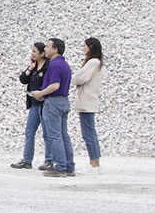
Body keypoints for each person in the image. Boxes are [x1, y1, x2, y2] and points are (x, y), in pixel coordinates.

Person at [34, 38, 75, 178]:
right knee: (64, 135)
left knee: (55, 135)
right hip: (64, 101)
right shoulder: (65, 65)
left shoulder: (54, 65)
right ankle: (69, 166)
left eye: (47, 46)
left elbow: (54, 85)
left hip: (53, 102)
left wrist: (41, 93)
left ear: (55, 49)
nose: (45, 49)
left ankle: (60, 167)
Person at [10, 41, 50, 169]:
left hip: (44, 103)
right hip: (34, 103)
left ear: (42, 53)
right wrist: (30, 68)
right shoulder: (34, 67)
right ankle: (27, 159)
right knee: (29, 131)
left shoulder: (48, 67)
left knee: (47, 133)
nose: (32, 54)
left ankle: (49, 159)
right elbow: (23, 79)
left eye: (34, 51)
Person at [75, 36, 105, 169]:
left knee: (89, 133)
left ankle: (94, 163)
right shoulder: (96, 62)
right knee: (89, 132)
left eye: (85, 45)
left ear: (91, 47)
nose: (83, 48)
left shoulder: (93, 62)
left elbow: (82, 77)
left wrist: (75, 77)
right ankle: (94, 162)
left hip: (87, 101)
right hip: (88, 101)